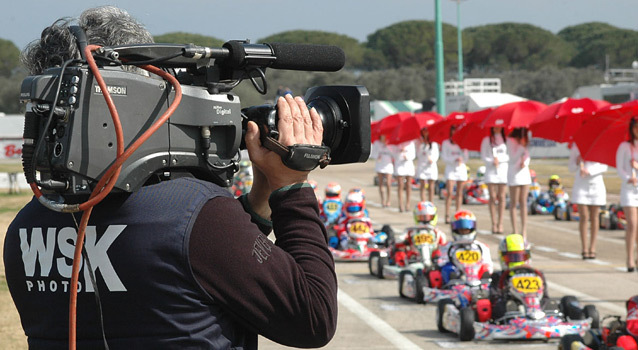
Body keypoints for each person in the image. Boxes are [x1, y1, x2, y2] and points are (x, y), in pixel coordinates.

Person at [4, 6, 337, 349]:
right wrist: (292, 187)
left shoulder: (26, 227)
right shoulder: (196, 216)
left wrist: (259, 201)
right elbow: (313, 318)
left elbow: (198, 269)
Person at [489, 233, 549, 321]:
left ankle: (542, 315)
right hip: (512, 310)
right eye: (512, 257)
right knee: (506, 306)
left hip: (537, 306)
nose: (517, 260)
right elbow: (494, 299)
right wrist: (506, 291)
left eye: (521, 256)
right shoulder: (499, 276)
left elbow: (545, 297)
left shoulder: (537, 275)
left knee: (554, 303)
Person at [569, 144, 608, 260]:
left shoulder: (600, 145)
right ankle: (584, 248)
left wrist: (589, 171)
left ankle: (593, 248)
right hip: (581, 185)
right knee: (584, 216)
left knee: (595, 216)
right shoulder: (577, 146)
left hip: (596, 185)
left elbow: (604, 166)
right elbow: (570, 167)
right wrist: (577, 162)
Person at [436, 210, 493, 284]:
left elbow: (488, 264)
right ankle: (453, 285)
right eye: (461, 230)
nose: (464, 231)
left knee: (486, 269)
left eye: (466, 230)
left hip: (478, 278)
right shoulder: (447, 247)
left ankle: (485, 284)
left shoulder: (481, 247)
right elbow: (441, 263)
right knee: (447, 268)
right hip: (457, 279)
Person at [615, 116, 638, 272]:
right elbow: (619, 168)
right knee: (632, 224)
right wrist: (628, 177)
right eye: (636, 126)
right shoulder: (624, 146)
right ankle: (629, 259)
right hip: (629, 190)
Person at [480, 127, 509, 234]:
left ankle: (500, 223)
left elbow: (509, 155)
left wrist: (499, 160)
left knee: (501, 197)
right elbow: (483, 156)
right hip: (491, 171)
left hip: (502, 170)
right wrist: (492, 160)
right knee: (492, 196)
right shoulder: (487, 140)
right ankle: (494, 223)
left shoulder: (506, 140)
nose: (497, 128)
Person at [507, 127, 532, 239]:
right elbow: (512, 158)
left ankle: (524, 230)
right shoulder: (510, 141)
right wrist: (521, 148)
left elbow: (527, 156)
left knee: (523, 202)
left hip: (524, 173)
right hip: (514, 173)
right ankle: (515, 229)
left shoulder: (525, 140)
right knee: (514, 202)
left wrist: (525, 163)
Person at [440, 125, 469, 223]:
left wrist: (462, 159)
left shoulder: (463, 143)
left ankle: (458, 213)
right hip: (451, 169)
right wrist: (454, 159)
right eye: (453, 131)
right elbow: (444, 157)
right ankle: (447, 215)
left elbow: (466, 157)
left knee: (459, 193)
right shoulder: (446, 143)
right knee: (449, 192)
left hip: (461, 169)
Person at [415, 127, 439, 202]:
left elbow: (436, 155)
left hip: (431, 166)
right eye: (424, 131)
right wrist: (420, 143)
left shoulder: (433, 143)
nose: (425, 132)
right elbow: (418, 154)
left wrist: (432, 159)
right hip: (422, 166)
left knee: (431, 186)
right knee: (422, 185)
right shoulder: (420, 143)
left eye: (426, 130)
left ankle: (431, 202)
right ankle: (423, 202)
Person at [392, 139, 417, 212]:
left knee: (409, 185)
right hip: (399, 164)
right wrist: (399, 151)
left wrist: (407, 156)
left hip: (408, 164)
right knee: (400, 185)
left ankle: (408, 204)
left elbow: (413, 155)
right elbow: (393, 153)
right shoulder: (396, 142)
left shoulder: (411, 142)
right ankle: (401, 204)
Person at [373, 134, 394, 207]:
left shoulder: (390, 143)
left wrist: (387, 145)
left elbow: (393, 154)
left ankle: (388, 200)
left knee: (388, 183)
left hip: (388, 164)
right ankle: (382, 200)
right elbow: (373, 154)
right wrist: (377, 156)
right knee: (381, 183)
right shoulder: (376, 143)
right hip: (380, 164)